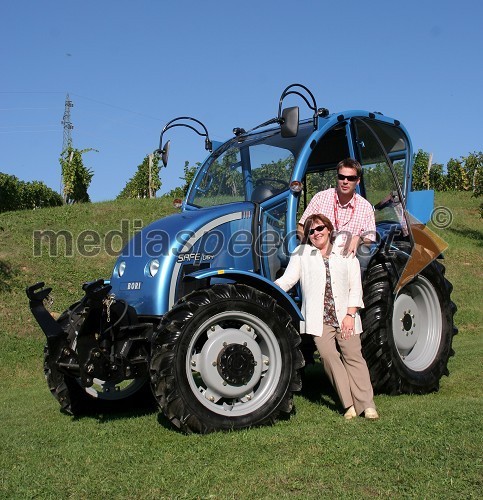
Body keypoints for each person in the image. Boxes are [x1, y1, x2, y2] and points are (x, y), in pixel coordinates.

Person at [275, 213, 379, 419]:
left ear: (329, 229)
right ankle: (349, 404)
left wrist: (351, 314)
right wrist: (265, 290)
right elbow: (287, 281)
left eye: (320, 228)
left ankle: (367, 405)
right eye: (311, 231)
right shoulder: (302, 253)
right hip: (319, 320)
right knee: (328, 356)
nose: (316, 234)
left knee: (353, 356)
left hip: (345, 316)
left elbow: (355, 286)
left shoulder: (344, 250)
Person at [298, 158, 376, 257]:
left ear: (358, 181)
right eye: (341, 177)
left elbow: (370, 237)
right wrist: (310, 246)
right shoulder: (321, 197)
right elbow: (301, 226)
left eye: (351, 178)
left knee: (364, 254)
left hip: (346, 254)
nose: (345, 181)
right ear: (337, 177)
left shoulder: (365, 207)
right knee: (287, 253)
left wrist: (358, 239)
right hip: (318, 249)